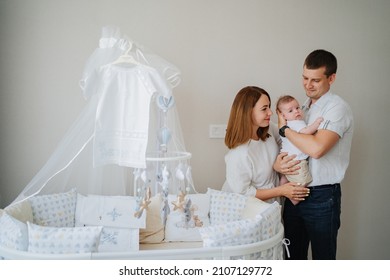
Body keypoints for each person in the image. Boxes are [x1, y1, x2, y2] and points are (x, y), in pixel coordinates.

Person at [277, 49, 354, 260]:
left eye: (315, 80)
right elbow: (287, 146)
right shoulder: (301, 107)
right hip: (294, 192)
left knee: (322, 261)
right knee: (292, 258)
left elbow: (317, 149)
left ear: (332, 78)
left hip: (321, 196)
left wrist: (285, 129)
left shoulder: (337, 108)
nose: (308, 85)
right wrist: (279, 165)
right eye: (305, 78)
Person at [222, 86, 310, 204]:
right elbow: (243, 193)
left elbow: (290, 142)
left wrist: (279, 166)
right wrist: (280, 191)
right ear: (248, 112)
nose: (270, 112)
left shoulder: (269, 130)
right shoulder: (239, 153)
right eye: (264, 109)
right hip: (247, 212)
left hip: (270, 208)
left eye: (269, 106)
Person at [276, 95, 323, 205]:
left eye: (297, 108)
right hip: (296, 160)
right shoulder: (295, 123)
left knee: (285, 177)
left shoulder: (288, 124)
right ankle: (294, 200)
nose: (296, 111)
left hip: (287, 158)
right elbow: (305, 132)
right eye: (291, 110)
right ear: (283, 116)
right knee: (303, 181)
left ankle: (282, 184)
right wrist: (316, 124)